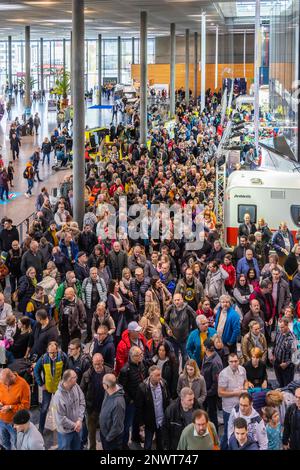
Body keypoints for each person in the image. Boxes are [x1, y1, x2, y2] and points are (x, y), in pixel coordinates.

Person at [34, 341, 68, 435]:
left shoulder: (62, 356)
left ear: (57, 350)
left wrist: (65, 382)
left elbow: (67, 368)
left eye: (54, 352)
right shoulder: (43, 358)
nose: (52, 355)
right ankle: (41, 429)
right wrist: (41, 384)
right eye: (50, 352)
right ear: (47, 351)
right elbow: (36, 370)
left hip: (59, 387)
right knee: (44, 408)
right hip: (47, 388)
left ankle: (63, 426)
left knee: (61, 407)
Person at [80, 353, 112, 450]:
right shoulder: (87, 374)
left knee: (105, 431)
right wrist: (85, 405)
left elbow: (114, 387)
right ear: (92, 363)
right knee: (91, 433)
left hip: (105, 408)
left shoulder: (109, 372)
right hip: (91, 409)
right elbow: (82, 391)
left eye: (99, 363)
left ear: (102, 361)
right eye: (95, 364)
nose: (97, 366)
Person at [118, 346, 147, 449]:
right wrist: (129, 400)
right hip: (131, 402)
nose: (141, 356)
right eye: (139, 355)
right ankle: (124, 444)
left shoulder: (141, 364)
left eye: (141, 354)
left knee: (137, 421)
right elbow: (121, 388)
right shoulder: (125, 370)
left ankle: (136, 438)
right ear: (133, 356)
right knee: (127, 425)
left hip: (141, 400)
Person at [218, 352, 248, 450]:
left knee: (239, 429)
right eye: (231, 361)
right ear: (228, 362)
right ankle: (223, 448)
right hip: (229, 408)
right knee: (228, 431)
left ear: (238, 361)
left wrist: (245, 388)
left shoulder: (242, 370)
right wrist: (236, 393)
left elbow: (245, 381)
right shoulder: (223, 374)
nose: (234, 363)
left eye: (235, 361)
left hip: (241, 406)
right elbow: (220, 393)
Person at [135, 365, 170, 450]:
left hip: (161, 420)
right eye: (157, 375)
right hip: (149, 422)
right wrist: (141, 423)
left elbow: (167, 399)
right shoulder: (142, 388)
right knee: (148, 444)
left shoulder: (164, 383)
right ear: (150, 376)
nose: (160, 377)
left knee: (161, 444)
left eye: (160, 374)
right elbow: (139, 407)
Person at [53, 369, 86, 450]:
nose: (77, 378)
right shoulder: (58, 397)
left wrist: (79, 419)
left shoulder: (76, 386)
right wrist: (75, 425)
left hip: (77, 428)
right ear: (69, 380)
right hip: (66, 433)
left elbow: (82, 401)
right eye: (75, 377)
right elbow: (60, 419)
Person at [0, 368, 30, 450]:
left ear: (11, 377)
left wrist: (10, 407)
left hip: (15, 423)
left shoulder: (23, 385)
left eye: (5, 384)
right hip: (1, 420)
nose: (3, 385)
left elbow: (26, 406)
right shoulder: (2, 382)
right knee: (4, 442)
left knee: (17, 444)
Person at [164, 293, 197, 367]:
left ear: (182, 299)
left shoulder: (187, 308)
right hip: (173, 338)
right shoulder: (170, 308)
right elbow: (165, 321)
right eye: (175, 300)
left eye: (178, 300)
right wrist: (168, 329)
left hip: (185, 338)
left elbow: (195, 317)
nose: (177, 302)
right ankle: (176, 374)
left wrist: (193, 331)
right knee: (175, 358)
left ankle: (184, 373)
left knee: (185, 357)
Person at [201, 338, 223, 432]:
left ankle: (215, 435)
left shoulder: (215, 362)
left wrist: (208, 393)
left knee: (212, 415)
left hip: (211, 394)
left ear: (205, 348)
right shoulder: (206, 357)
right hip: (206, 391)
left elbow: (216, 382)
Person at [99, 373, 126, 450]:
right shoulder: (108, 392)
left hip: (112, 439)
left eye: (103, 383)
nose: (102, 384)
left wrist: (108, 438)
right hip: (104, 432)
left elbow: (117, 426)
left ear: (106, 386)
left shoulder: (118, 403)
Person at [82, 267, 107, 343]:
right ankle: (89, 336)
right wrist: (84, 300)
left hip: (98, 306)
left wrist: (103, 300)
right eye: (93, 273)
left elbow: (105, 290)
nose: (94, 275)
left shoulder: (101, 280)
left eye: (95, 273)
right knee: (89, 322)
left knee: (99, 321)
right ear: (90, 274)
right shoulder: (86, 281)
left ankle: (99, 336)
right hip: (89, 306)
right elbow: (83, 291)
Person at [59, 287, 86, 353]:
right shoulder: (63, 301)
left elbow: (83, 315)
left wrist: (78, 325)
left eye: (66, 294)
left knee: (76, 345)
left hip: (75, 329)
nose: (64, 295)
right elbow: (60, 311)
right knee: (64, 345)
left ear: (72, 294)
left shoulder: (78, 302)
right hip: (64, 327)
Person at [271, 316, 296, 387]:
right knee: (280, 383)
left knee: (287, 386)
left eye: (282, 327)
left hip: (287, 367)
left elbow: (296, 356)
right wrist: (273, 354)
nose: (280, 329)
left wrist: (286, 363)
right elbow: (275, 343)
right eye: (279, 327)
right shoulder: (279, 332)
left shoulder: (292, 339)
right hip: (277, 363)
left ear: (287, 326)